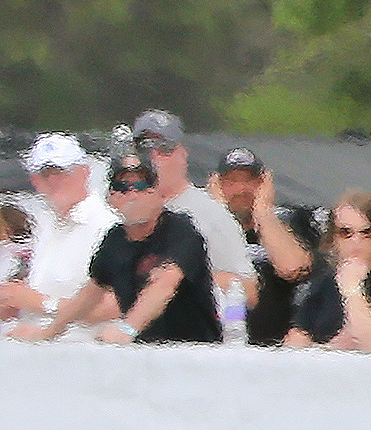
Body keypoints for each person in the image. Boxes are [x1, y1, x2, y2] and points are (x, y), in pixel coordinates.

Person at [10, 147, 220, 345]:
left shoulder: (180, 229)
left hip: (196, 350)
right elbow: (89, 295)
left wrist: (127, 329)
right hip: (146, 351)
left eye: (142, 186)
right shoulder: (115, 239)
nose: (132, 195)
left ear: (159, 193)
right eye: (122, 188)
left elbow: (165, 284)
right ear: (111, 198)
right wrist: (49, 332)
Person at [133, 110, 253, 327]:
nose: (153, 158)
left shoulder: (211, 214)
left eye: (164, 149)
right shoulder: (116, 209)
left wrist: (182, 278)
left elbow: (249, 291)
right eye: (144, 149)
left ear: (183, 154)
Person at [0, 134, 116, 331]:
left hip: (82, 344)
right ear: (34, 180)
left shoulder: (109, 227)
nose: (53, 180)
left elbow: (117, 306)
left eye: (62, 172)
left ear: (85, 172)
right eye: (45, 174)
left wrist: (44, 304)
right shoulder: (43, 225)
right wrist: (13, 304)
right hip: (31, 341)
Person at [286, 190, 371, 350]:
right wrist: (334, 347)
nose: (356, 241)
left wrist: (352, 290)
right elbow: (294, 343)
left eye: (366, 233)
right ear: (333, 239)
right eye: (345, 233)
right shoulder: (323, 285)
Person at [210, 148, 317, 346]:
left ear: (264, 184)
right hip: (215, 346)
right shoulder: (199, 226)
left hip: (276, 348)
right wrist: (218, 214)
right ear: (216, 186)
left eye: (249, 181)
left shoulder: (290, 222)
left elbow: (293, 268)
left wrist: (263, 213)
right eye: (231, 182)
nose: (241, 189)